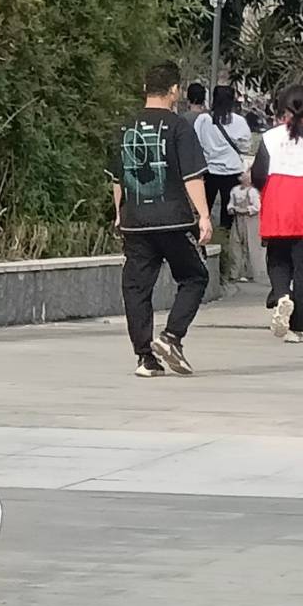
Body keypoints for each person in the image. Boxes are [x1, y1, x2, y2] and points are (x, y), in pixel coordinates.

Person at [108, 63, 213, 377]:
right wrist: (204, 216)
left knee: (136, 288)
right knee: (194, 277)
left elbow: (118, 179)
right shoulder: (179, 127)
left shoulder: (125, 128)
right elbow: (192, 176)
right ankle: (171, 336)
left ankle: (145, 358)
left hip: (135, 222)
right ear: (174, 91)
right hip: (173, 221)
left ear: (145, 89)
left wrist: (119, 214)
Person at [252, 84, 303, 343]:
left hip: (279, 199)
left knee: (277, 258)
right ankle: (297, 328)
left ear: (283, 110)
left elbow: (258, 175)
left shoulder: (270, 137)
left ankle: (282, 293)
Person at [192, 85, 254, 262]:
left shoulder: (203, 120)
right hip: (232, 172)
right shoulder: (239, 122)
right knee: (229, 216)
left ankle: (202, 246)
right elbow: (245, 146)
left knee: (204, 210)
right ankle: (226, 251)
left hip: (209, 171)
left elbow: (196, 143)